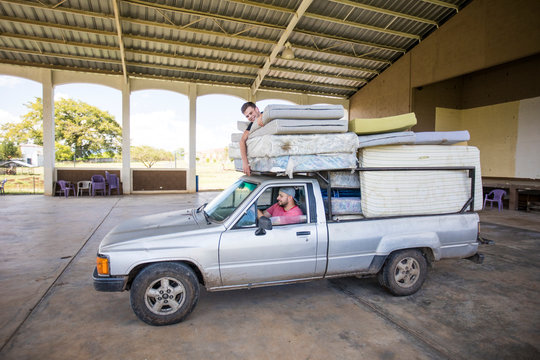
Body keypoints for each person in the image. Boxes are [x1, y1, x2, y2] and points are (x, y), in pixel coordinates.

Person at [240, 102, 264, 176]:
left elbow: (270, 111)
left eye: (251, 113)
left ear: (256, 109)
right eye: (247, 116)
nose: (250, 117)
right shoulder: (252, 124)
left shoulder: (266, 113)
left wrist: (261, 116)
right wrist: (245, 163)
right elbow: (242, 141)